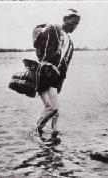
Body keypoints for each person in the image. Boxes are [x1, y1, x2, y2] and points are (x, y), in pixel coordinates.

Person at [32, 9, 80, 141]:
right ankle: (35, 131)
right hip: (44, 72)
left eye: (76, 24)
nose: (74, 26)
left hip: (55, 77)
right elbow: (37, 41)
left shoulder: (70, 42)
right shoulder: (53, 29)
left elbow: (65, 63)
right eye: (72, 22)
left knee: (56, 111)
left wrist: (60, 81)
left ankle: (55, 136)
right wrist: (43, 61)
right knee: (51, 108)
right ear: (65, 19)